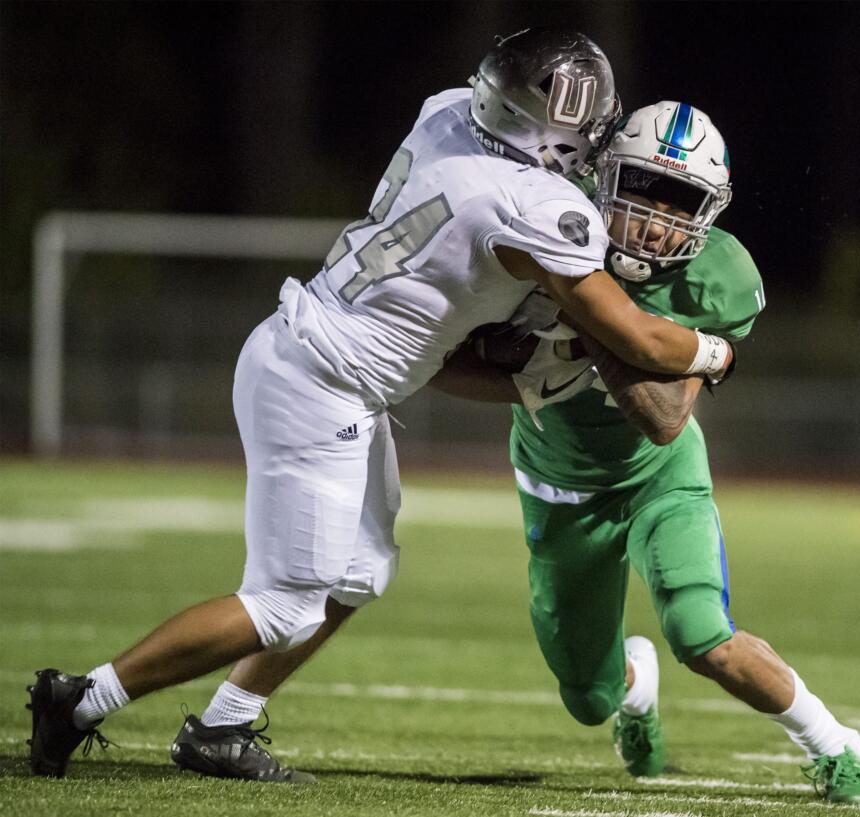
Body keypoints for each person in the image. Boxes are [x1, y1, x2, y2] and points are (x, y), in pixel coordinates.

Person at [26, 31, 737, 782]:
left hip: (319, 356)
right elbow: (636, 340)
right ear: (547, 134)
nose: (590, 140)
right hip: (322, 380)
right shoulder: (536, 204)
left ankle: (221, 727)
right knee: (282, 605)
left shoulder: (448, 112)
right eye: (581, 127)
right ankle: (80, 700)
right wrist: (715, 352)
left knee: (361, 569)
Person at [432, 101, 860, 805]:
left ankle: (832, 742)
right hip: (559, 486)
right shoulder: (543, 220)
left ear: (711, 212)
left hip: (658, 476)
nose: (655, 217)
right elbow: (437, 360)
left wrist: (585, 320)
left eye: (681, 200)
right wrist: (528, 371)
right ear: (604, 175)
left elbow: (665, 418)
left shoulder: (716, 276)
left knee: (702, 632)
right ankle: (634, 687)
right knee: (588, 694)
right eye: (642, 186)